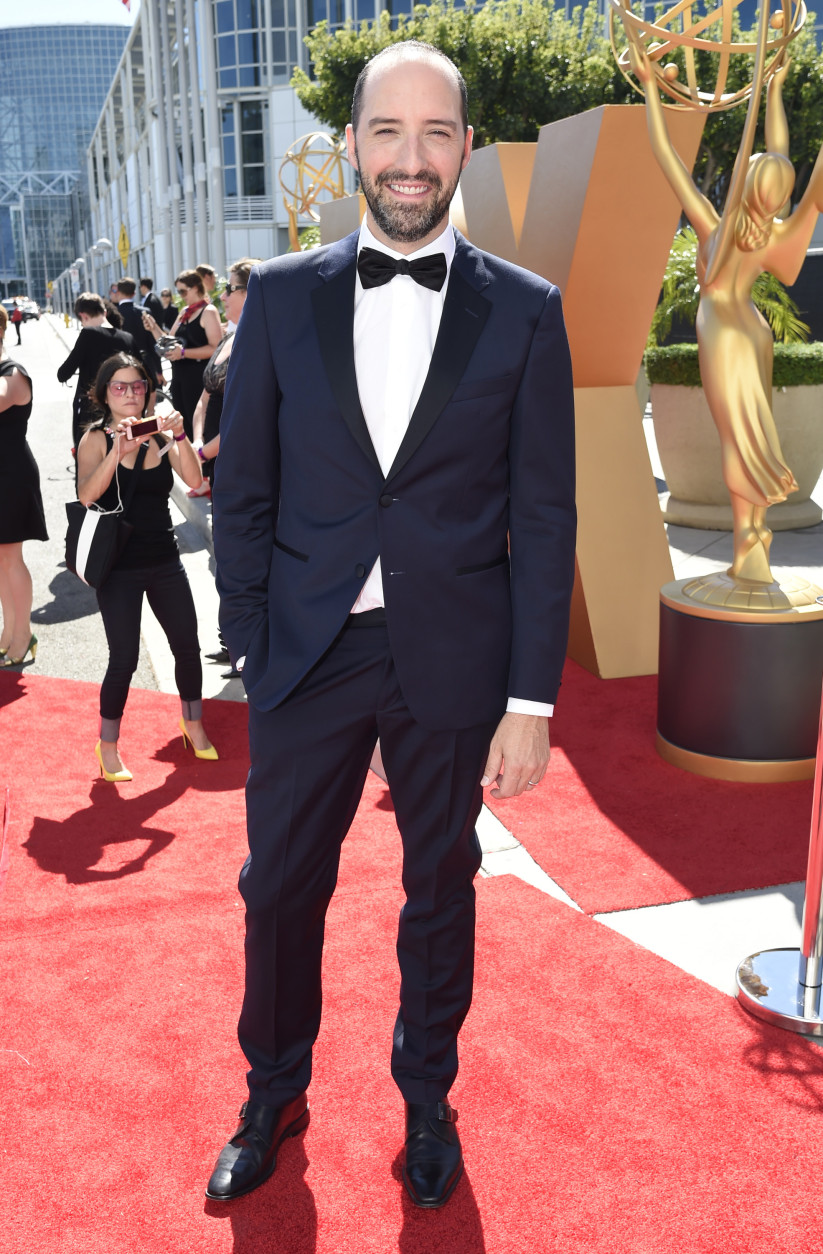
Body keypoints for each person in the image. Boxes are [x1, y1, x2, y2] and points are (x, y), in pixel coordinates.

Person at [208, 42, 576, 1210]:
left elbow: (544, 515)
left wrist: (532, 701)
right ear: (351, 145)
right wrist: (255, 647)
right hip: (307, 653)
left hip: (454, 657)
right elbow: (245, 495)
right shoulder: (279, 298)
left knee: (441, 887)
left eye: (434, 133)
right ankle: (273, 1089)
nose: (410, 159)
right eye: (387, 131)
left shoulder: (525, 313)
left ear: (466, 146)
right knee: (278, 889)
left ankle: (426, 1095)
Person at [634, 46, 823, 585]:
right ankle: (753, 536)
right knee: (754, 433)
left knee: (739, 439)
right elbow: (779, 150)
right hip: (754, 331)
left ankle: (747, 545)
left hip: (722, 330)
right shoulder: (770, 231)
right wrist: (773, 88)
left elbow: (667, 156)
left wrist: (651, 87)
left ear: (746, 182)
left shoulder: (716, 230)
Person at [76, 352, 218, 782]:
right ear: (104, 394)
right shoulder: (96, 439)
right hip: (117, 565)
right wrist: (118, 453)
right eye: (119, 386)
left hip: (164, 558)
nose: (130, 394)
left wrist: (177, 437)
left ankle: (192, 724)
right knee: (124, 658)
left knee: (187, 645)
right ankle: (108, 746)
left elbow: (195, 481)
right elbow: (87, 496)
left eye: (137, 385)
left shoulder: (159, 435)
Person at [192, 257, 259, 660]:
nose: (224, 294)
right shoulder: (230, 338)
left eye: (230, 288)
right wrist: (197, 442)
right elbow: (204, 398)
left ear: (249, 292)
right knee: (227, 555)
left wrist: (202, 451)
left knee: (241, 556)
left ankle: (244, 643)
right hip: (215, 460)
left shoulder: (257, 340)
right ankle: (231, 638)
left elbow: (245, 417)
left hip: (240, 463)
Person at [0, 304, 47, 668]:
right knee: (2, 560)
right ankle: (9, 633)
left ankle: (23, 635)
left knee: (11, 558)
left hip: (11, 474)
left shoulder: (12, 373)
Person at [142, 269, 222, 439]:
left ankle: (204, 462)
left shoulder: (208, 311)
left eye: (183, 291)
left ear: (195, 288)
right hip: (179, 379)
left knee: (200, 430)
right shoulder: (185, 312)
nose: (180, 295)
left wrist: (184, 353)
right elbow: (168, 343)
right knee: (184, 428)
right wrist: (153, 327)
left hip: (197, 381)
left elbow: (216, 348)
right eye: (178, 291)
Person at [57, 292, 136, 455]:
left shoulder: (88, 334)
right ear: (105, 312)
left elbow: (63, 373)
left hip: (91, 413)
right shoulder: (127, 338)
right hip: (122, 411)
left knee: (88, 464)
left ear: (82, 315)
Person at [116, 277, 163, 388]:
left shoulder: (114, 314)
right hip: (146, 361)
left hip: (122, 363)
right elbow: (153, 343)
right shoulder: (145, 312)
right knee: (149, 393)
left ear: (118, 292)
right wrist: (158, 370)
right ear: (134, 293)